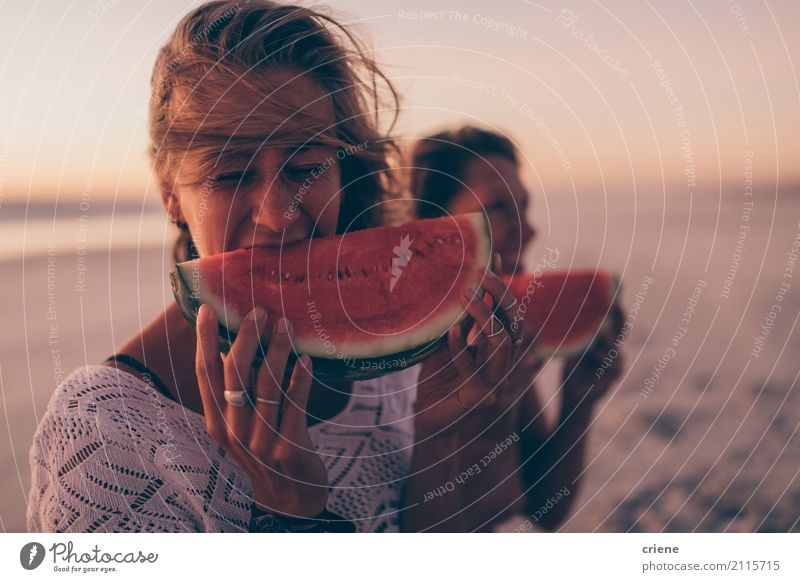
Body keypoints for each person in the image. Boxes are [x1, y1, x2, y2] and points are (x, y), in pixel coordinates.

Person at [27, 2, 522, 533]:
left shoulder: (403, 358)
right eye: (232, 175)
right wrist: (289, 517)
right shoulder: (102, 434)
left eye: (308, 168)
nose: (278, 215)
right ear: (171, 195)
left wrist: (451, 433)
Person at [405, 126, 625, 531]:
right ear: (429, 228)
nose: (530, 230)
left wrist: (578, 402)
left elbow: (545, 508)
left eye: (523, 207)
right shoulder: (392, 365)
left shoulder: (498, 340)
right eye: (499, 209)